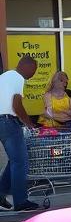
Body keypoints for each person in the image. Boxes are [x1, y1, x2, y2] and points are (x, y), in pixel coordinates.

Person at [0, 56, 41, 211]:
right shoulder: (18, 78)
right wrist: (29, 123)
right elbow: (16, 104)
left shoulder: (4, 77)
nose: (34, 73)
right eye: (34, 69)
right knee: (21, 161)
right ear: (27, 66)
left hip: (2, 121)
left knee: (14, 160)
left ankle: (0, 193)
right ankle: (20, 201)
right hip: (8, 121)